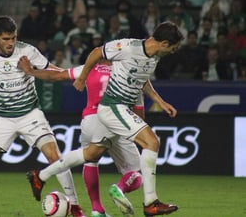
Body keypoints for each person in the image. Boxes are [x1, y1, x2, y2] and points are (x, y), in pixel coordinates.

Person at [26, 21, 183, 217]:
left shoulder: (154, 56)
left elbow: (141, 78)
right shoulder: (127, 46)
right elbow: (96, 53)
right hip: (113, 106)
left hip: (114, 110)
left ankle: (40, 176)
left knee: (90, 154)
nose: (173, 52)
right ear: (164, 43)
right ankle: (150, 202)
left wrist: (160, 100)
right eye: (174, 48)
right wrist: (82, 77)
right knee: (152, 142)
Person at [0, 16, 85, 217]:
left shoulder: (27, 51)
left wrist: (72, 74)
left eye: (13, 38)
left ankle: (75, 206)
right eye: (5, 39)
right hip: (3, 118)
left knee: (54, 156)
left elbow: (53, 70)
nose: (10, 43)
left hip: (31, 114)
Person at [18, 56, 145, 217]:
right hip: (114, 120)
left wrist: (30, 71)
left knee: (90, 161)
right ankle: (120, 188)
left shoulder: (89, 68)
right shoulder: (128, 74)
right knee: (135, 172)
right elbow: (139, 113)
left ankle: (97, 209)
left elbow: (57, 75)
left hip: (89, 120)